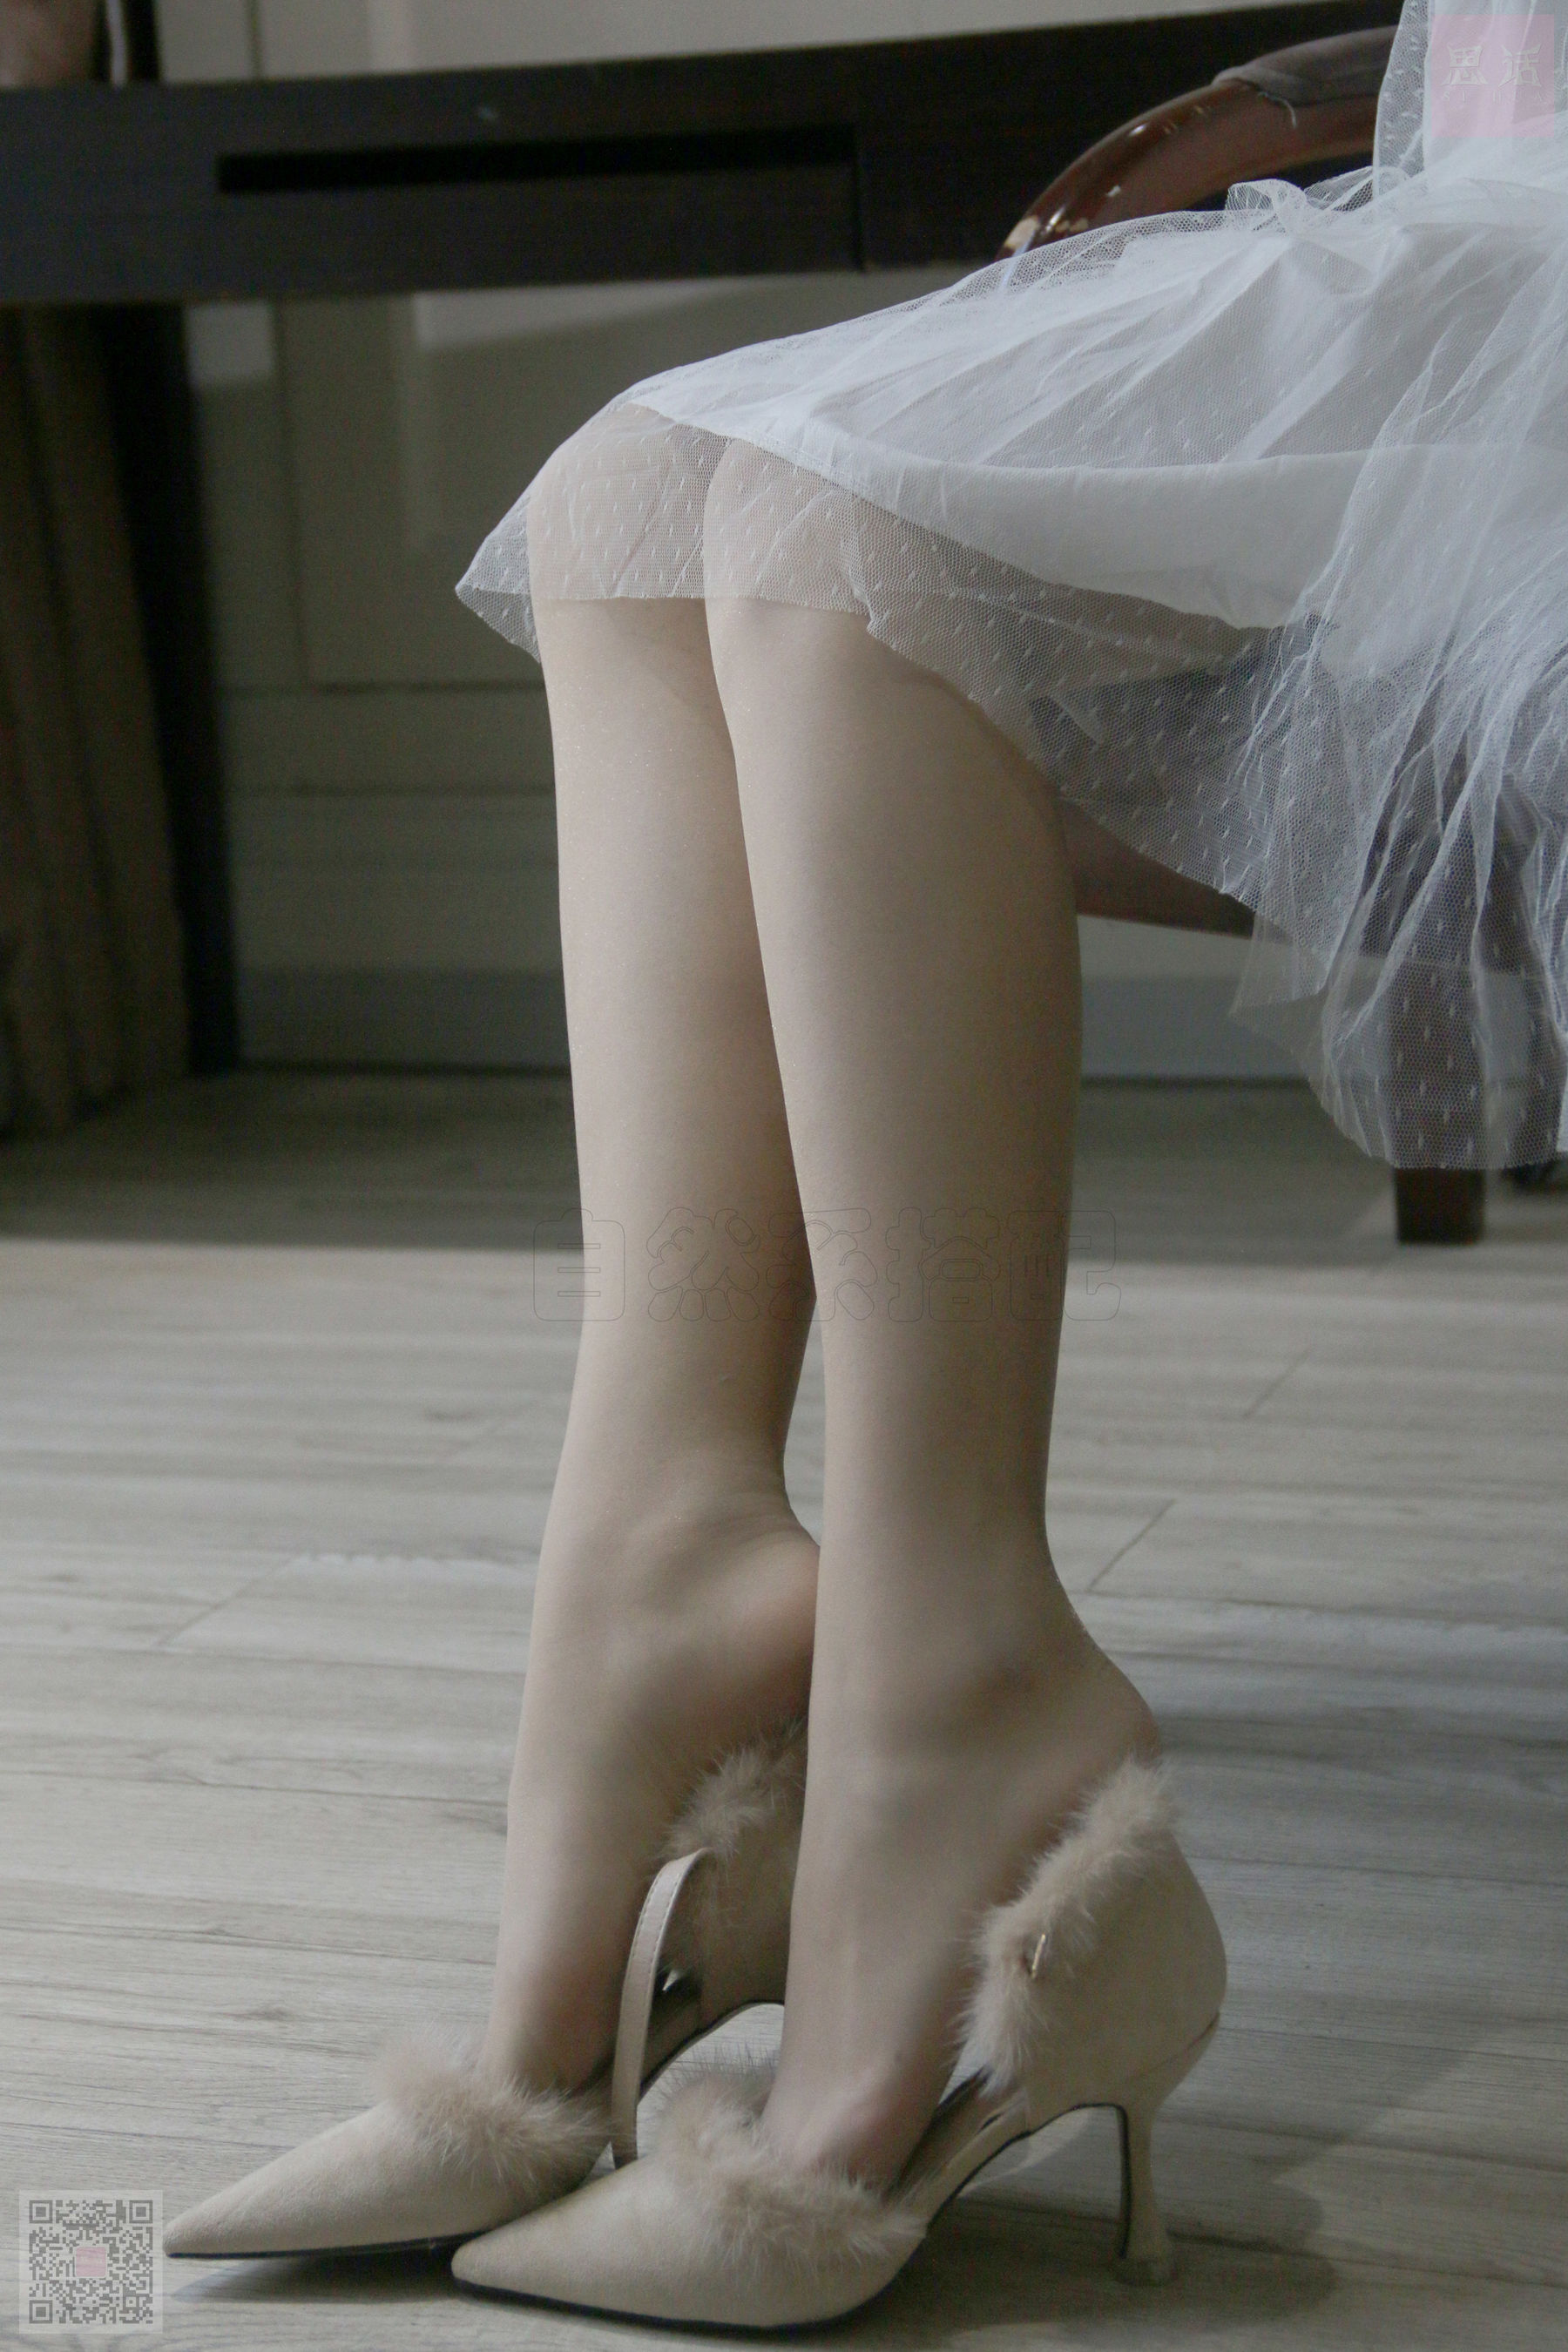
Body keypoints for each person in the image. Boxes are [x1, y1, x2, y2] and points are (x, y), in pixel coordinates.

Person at [166, 0, 1565, 2320]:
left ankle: (959, 1662)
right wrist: (1359, 99)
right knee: (631, 505)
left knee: (850, 539)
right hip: (1490, 192)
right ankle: (667, 1578)